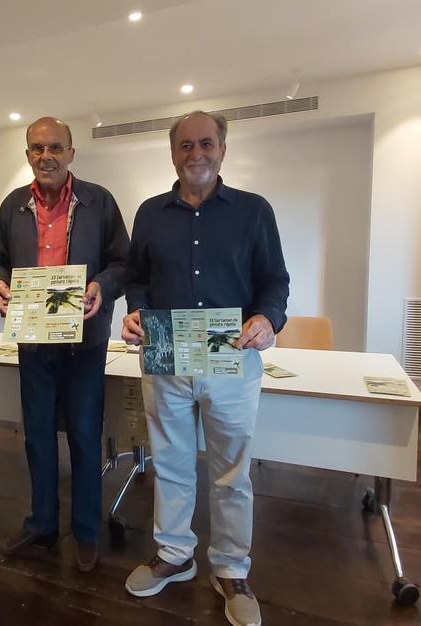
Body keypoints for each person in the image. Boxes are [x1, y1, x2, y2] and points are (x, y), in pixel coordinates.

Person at [120, 111, 289, 626]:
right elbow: (139, 279)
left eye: (207, 143)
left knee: (232, 473)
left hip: (232, 360)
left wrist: (268, 317)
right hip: (167, 358)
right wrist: (135, 311)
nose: (197, 153)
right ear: (173, 153)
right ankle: (175, 554)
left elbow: (274, 280)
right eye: (186, 145)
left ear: (222, 148)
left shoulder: (254, 211)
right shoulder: (150, 213)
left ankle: (232, 569)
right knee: (169, 463)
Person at [0, 116, 128, 572]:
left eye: (55, 148)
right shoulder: (12, 206)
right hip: (33, 343)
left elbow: (124, 262)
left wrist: (103, 285)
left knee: (85, 437)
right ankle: (42, 523)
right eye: (36, 148)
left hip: (85, 342)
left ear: (71, 152)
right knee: (38, 436)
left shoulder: (99, 201)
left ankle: (85, 529)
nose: (46, 156)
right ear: (28, 154)